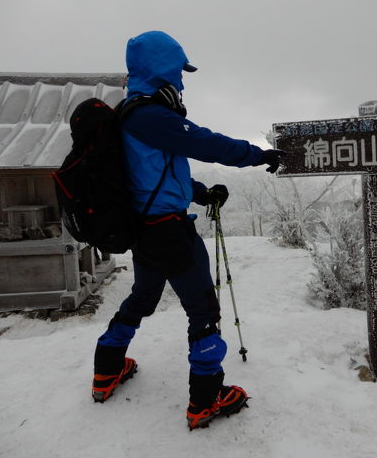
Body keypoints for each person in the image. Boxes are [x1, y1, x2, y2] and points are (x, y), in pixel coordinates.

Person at [90, 30, 284, 430]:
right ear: (162, 68)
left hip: (146, 229)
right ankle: (207, 398)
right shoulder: (149, 114)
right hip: (170, 233)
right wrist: (258, 154)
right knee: (203, 312)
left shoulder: (134, 113)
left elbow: (157, 173)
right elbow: (206, 143)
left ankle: (107, 368)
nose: (182, 79)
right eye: (179, 69)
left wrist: (199, 193)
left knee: (142, 299)